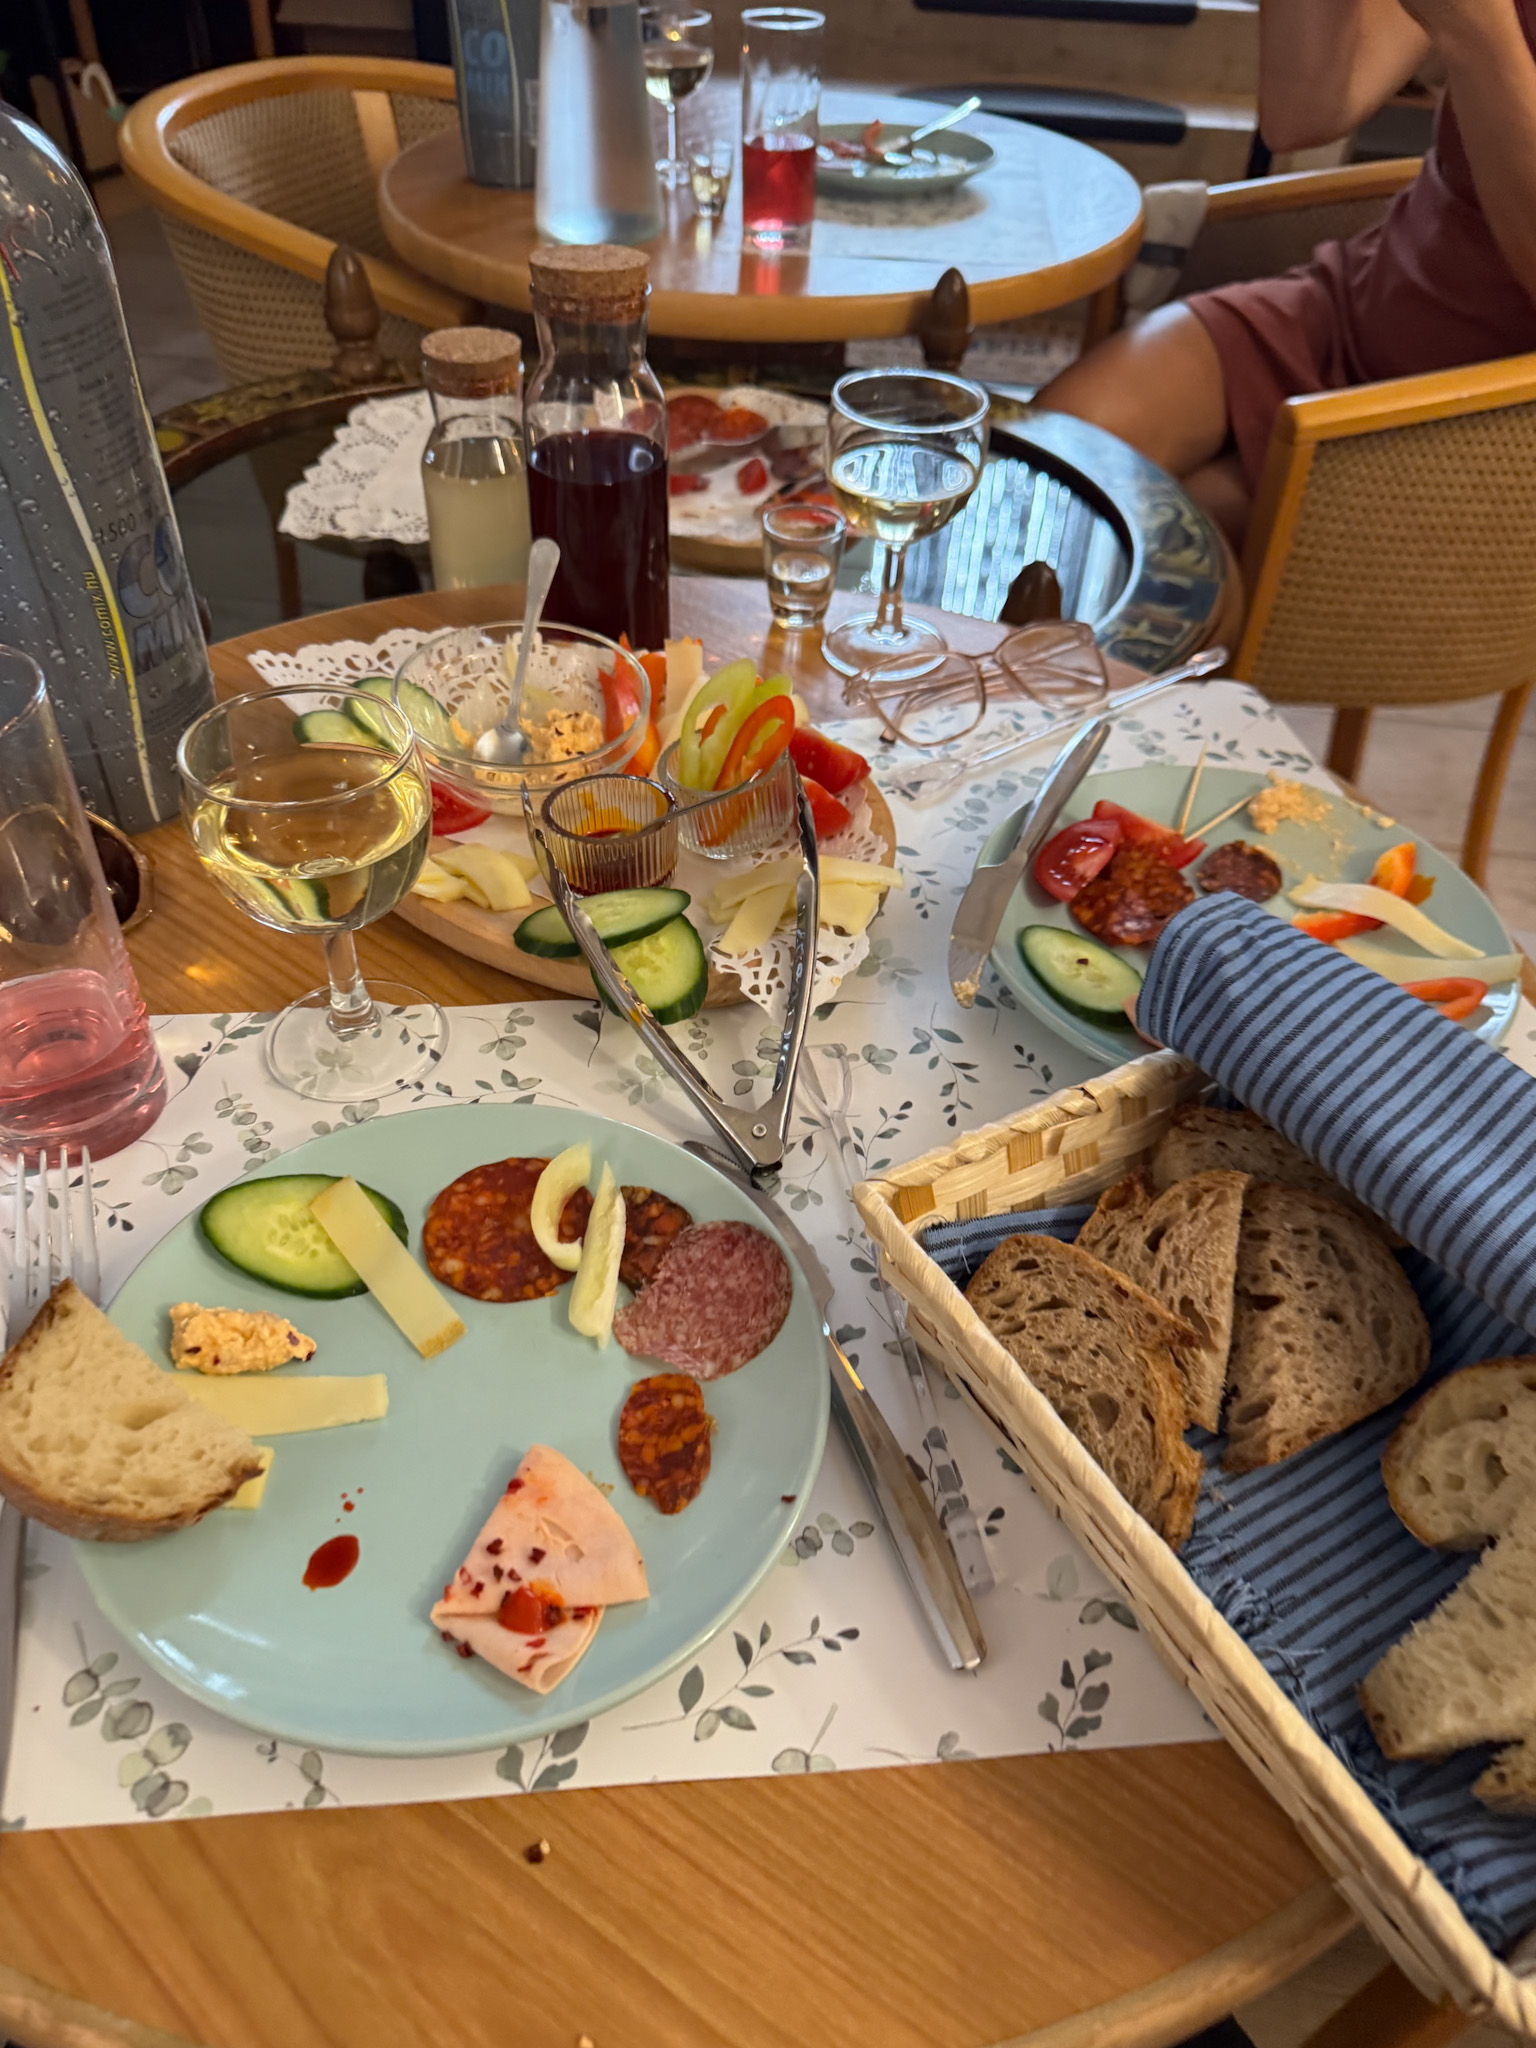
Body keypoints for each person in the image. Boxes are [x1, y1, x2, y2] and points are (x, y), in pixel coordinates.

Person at [1034, 0, 1536, 545]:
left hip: (1492, 411)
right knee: (1052, 463)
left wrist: (1479, 31)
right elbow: (1304, 111)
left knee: (1157, 541)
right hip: (1357, 306)